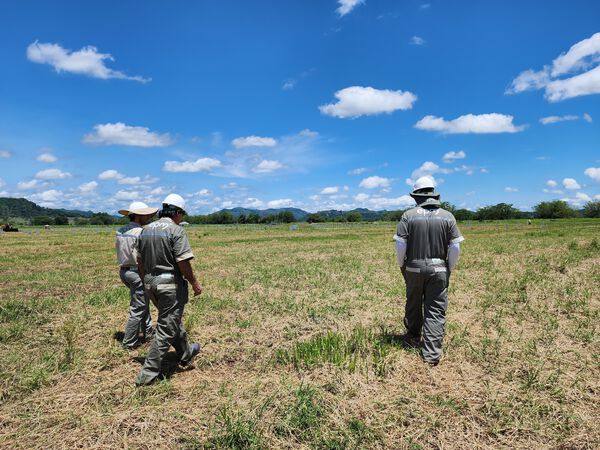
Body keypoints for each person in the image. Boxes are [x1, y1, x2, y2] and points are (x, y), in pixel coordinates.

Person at [394, 176, 464, 366]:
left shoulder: (408, 216)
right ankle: (431, 355)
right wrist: (449, 267)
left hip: (413, 267)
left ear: (416, 196)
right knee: (435, 309)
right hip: (440, 268)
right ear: (434, 194)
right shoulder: (448, 216)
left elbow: (400, 245)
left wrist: (402, 266)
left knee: (413, 302)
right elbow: (455, 247)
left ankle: (413, 336)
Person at [135, 193, 202, 385]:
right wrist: (194, 283)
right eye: (183, 215)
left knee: (171, 320)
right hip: (170, 285)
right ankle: (147, 375)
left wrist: (145, 280)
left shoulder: (145, 230)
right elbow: (183, 262)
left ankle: (186, 353)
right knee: (166, 328)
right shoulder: (176, 230)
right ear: (177, 213)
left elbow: (139, 260)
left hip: (150, 283)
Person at [116, 201, 159, 349]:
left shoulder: (120, 230)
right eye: (146, 214)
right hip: (136, 272)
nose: (148, 217)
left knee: (142, 302)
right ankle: (129, 342)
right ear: (139, 216)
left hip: (124, 271)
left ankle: (147, 330)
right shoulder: (141, 233)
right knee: (138, 307)